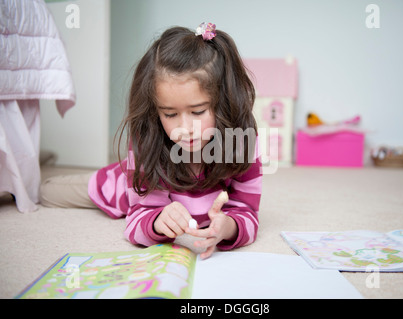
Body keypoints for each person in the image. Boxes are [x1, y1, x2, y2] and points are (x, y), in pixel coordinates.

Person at [40, 23, 262, 259]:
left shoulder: (242, 142)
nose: (184, 129)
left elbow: (247, 211)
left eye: (197, 112)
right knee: (45, 191)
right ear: (156, 111)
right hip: (122, 184)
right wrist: (156, 221)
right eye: (170, 114)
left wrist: (228, 228)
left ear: (225, 103)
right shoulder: (148, 141)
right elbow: (137, 220)